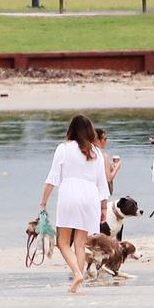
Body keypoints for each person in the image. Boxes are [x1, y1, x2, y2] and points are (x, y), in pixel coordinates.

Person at [39, 115, 109, 293]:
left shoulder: (63, 148)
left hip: (70, 193)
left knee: (62, 243)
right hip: (91, 196)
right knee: (80, 243)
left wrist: (43, 203)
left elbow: (53, 178)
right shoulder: (96, 152)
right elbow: (103, 182)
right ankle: (77, 284)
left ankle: (77, 273)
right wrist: (103, 207)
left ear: (71, 130)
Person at [94, 128, 122, 194]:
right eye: (105, 139)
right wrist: (116, 167)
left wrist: (110, 166)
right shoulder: (103, 156)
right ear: (98, 140)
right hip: (100, 192)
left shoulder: (88, 154)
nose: (106, 141)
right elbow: (108, 178)